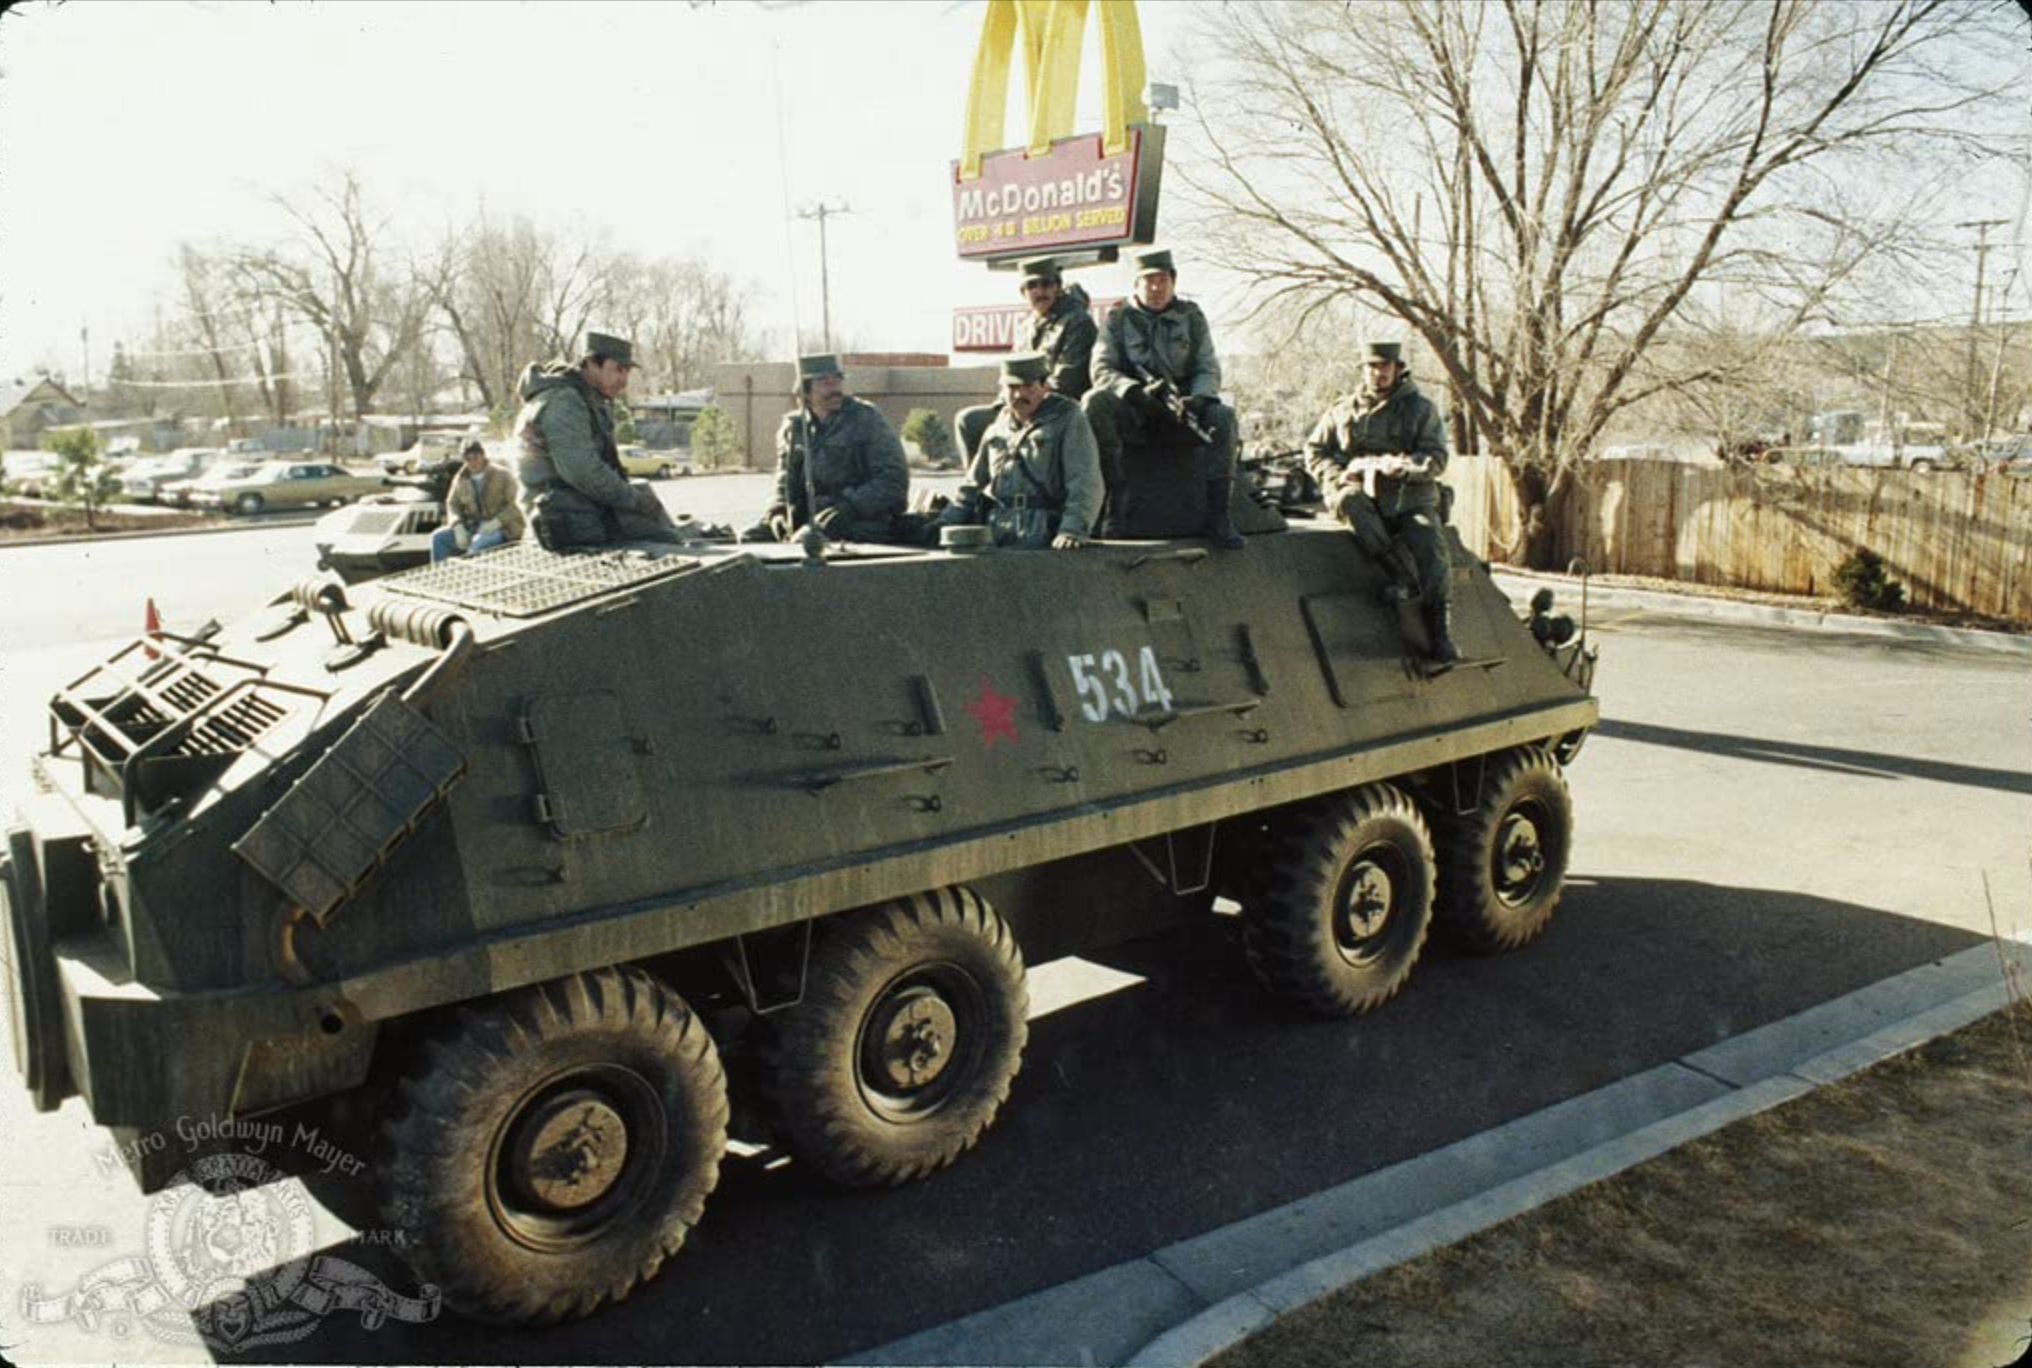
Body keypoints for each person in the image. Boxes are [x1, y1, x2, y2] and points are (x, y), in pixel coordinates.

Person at [1304, 341, 1458, 663]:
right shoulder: (1343, 410)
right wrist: (1338, 475)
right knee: (1350, 501)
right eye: (1372, 367)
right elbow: (1314, 450)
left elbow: (1437, 457)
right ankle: (1398, 573)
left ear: (1398, 369)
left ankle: (1439, 628)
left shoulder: (1420, 409)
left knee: (1431, 544)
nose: (1378, 374)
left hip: (1409, 500)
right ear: (1363, 370)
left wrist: (1404, 467)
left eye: (1385, 367)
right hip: (1363, 499)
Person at [1084, 249, 1243, 549]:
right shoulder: (1118, 319)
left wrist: (1198, 398)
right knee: (1095, 402)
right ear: (1136, 285)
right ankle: (1114, 505)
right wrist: (1133, 392)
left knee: (1223, 417)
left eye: (1162, 280)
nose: (1156, 288)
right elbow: (1101, 367)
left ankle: (1218, 516)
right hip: (1136, 412)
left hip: (1180, 412)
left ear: (1173, 282)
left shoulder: (1191, 317)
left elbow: (1207, 366)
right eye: (1148, 281)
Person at [514, 330, 681, 549]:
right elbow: (582, 470)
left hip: (576, 512)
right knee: (669, 545)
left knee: (664, 529)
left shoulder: (588, 398)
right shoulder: (565, 401)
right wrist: (633, 499)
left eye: (627, 371)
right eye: (618, 369)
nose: (624, 381)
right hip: (560, 519)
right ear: (591, 364)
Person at [935, 352, 1101, 550]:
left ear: (1044, 387)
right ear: (1002, 389)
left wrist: (1072, 530)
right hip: (998, 527)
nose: (1018, 395)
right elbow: (973, 484)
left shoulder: (1068, 420)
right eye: (1012, 387)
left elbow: (1084, 480)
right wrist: (945, 524)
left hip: (1045, 532)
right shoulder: (998, 426)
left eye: (1029, 387)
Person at [748, 354, 909, 543]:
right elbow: (784, 482)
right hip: (806, 518)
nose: (835, 389)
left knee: (805, 541)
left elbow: (893, 480)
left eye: (838, 381)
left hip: (860, 520)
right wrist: (778, 511)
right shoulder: (794, 428)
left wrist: (848, 508)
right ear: (805, 391)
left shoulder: (866, 420)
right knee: (750, 540)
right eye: (825, 383)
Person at [953, 257, 1097, 465]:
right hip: (1021, 405)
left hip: (1059, 407)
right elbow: (1009, 376)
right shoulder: (1025, 328)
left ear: (1057, 287)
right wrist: (1006, 405)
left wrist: (1025, 405)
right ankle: (981, 491)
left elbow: (1068, 378)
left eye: (1047, 284)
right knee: (969, 421)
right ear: (1023, 293)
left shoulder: (1077, 321)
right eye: (1032, 285)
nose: (1040, 291)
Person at [429, 439, 525, 563]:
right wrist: (457, 525)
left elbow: (516, 503)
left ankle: (468, 575)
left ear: (483, 455)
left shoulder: (503, 475)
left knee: (477, 545)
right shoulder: (461, 478)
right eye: (468, 459)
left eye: (476, 457)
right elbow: (452, 504)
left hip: (503, 529)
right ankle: (440, 575)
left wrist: (497, 522)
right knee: (439, 538)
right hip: (473, 527)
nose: (473, 462)